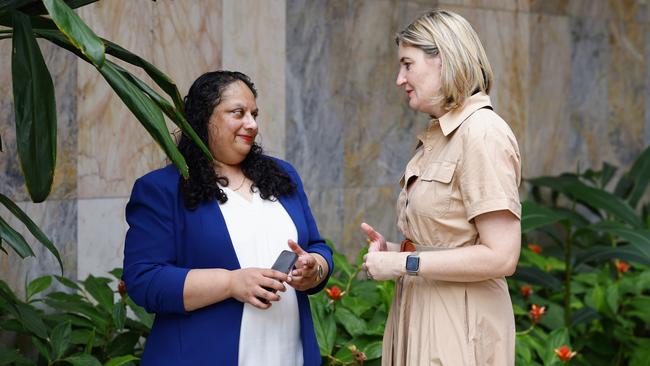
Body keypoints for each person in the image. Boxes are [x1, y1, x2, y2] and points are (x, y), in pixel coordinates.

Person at [122, 71, 333, 366]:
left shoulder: (282, 175)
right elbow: (144, 280)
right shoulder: (161, 189)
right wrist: (231, 282)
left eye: (254, 114)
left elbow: (317, 247)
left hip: (290, 355)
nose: (252, 124)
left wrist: (315, 269)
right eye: (238, 113)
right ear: (204, 119)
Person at [360, 9, 521, 366]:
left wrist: (404, 262)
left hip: (458, 322)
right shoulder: (443, 134)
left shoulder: (482, 133)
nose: (399, 79)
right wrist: (391, 250)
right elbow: (451, 239)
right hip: (423, 309)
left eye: (407, 64)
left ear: (444, 60)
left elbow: (502, 256)